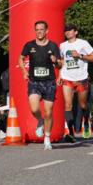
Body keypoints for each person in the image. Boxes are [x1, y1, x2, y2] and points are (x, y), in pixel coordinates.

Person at [18, 20, 63, 149]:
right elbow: (20, 58)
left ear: (46, 31)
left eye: (41, 29)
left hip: (49, 82)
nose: (39, 32)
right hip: (34, 81)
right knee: (34, 109)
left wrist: (56, 62)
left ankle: (47, 138)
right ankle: (40, 120)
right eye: (37, 30)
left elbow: (60, 65)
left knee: (48, 112)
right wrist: (24, 71)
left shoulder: (53, 46)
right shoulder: (29, 45)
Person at [58, 23, 93, 140]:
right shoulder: (62, 45)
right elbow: (62, 60)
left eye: (70, 30)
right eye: (66, 30)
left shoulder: (83, 43)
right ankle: (71, 132)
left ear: (76, 32)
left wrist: (80, 56)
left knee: (83, 105)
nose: (67, 32)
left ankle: (86, 122)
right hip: (67, 78)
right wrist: (59, 74)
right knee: (68, 105)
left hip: (81, 78)